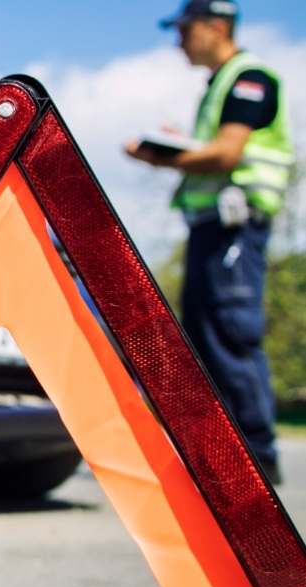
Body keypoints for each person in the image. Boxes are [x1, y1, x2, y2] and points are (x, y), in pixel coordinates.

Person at [127, 0, 294, 484]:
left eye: (185, 30)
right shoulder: (221, 85)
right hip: (211, 228)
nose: (179, 41)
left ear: (216, 27)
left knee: (230, 333)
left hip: (233, 229)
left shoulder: (248, 78)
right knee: (203, 336)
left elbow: (227, 153)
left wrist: (160, 158)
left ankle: (257, 461)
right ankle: (223, 458)